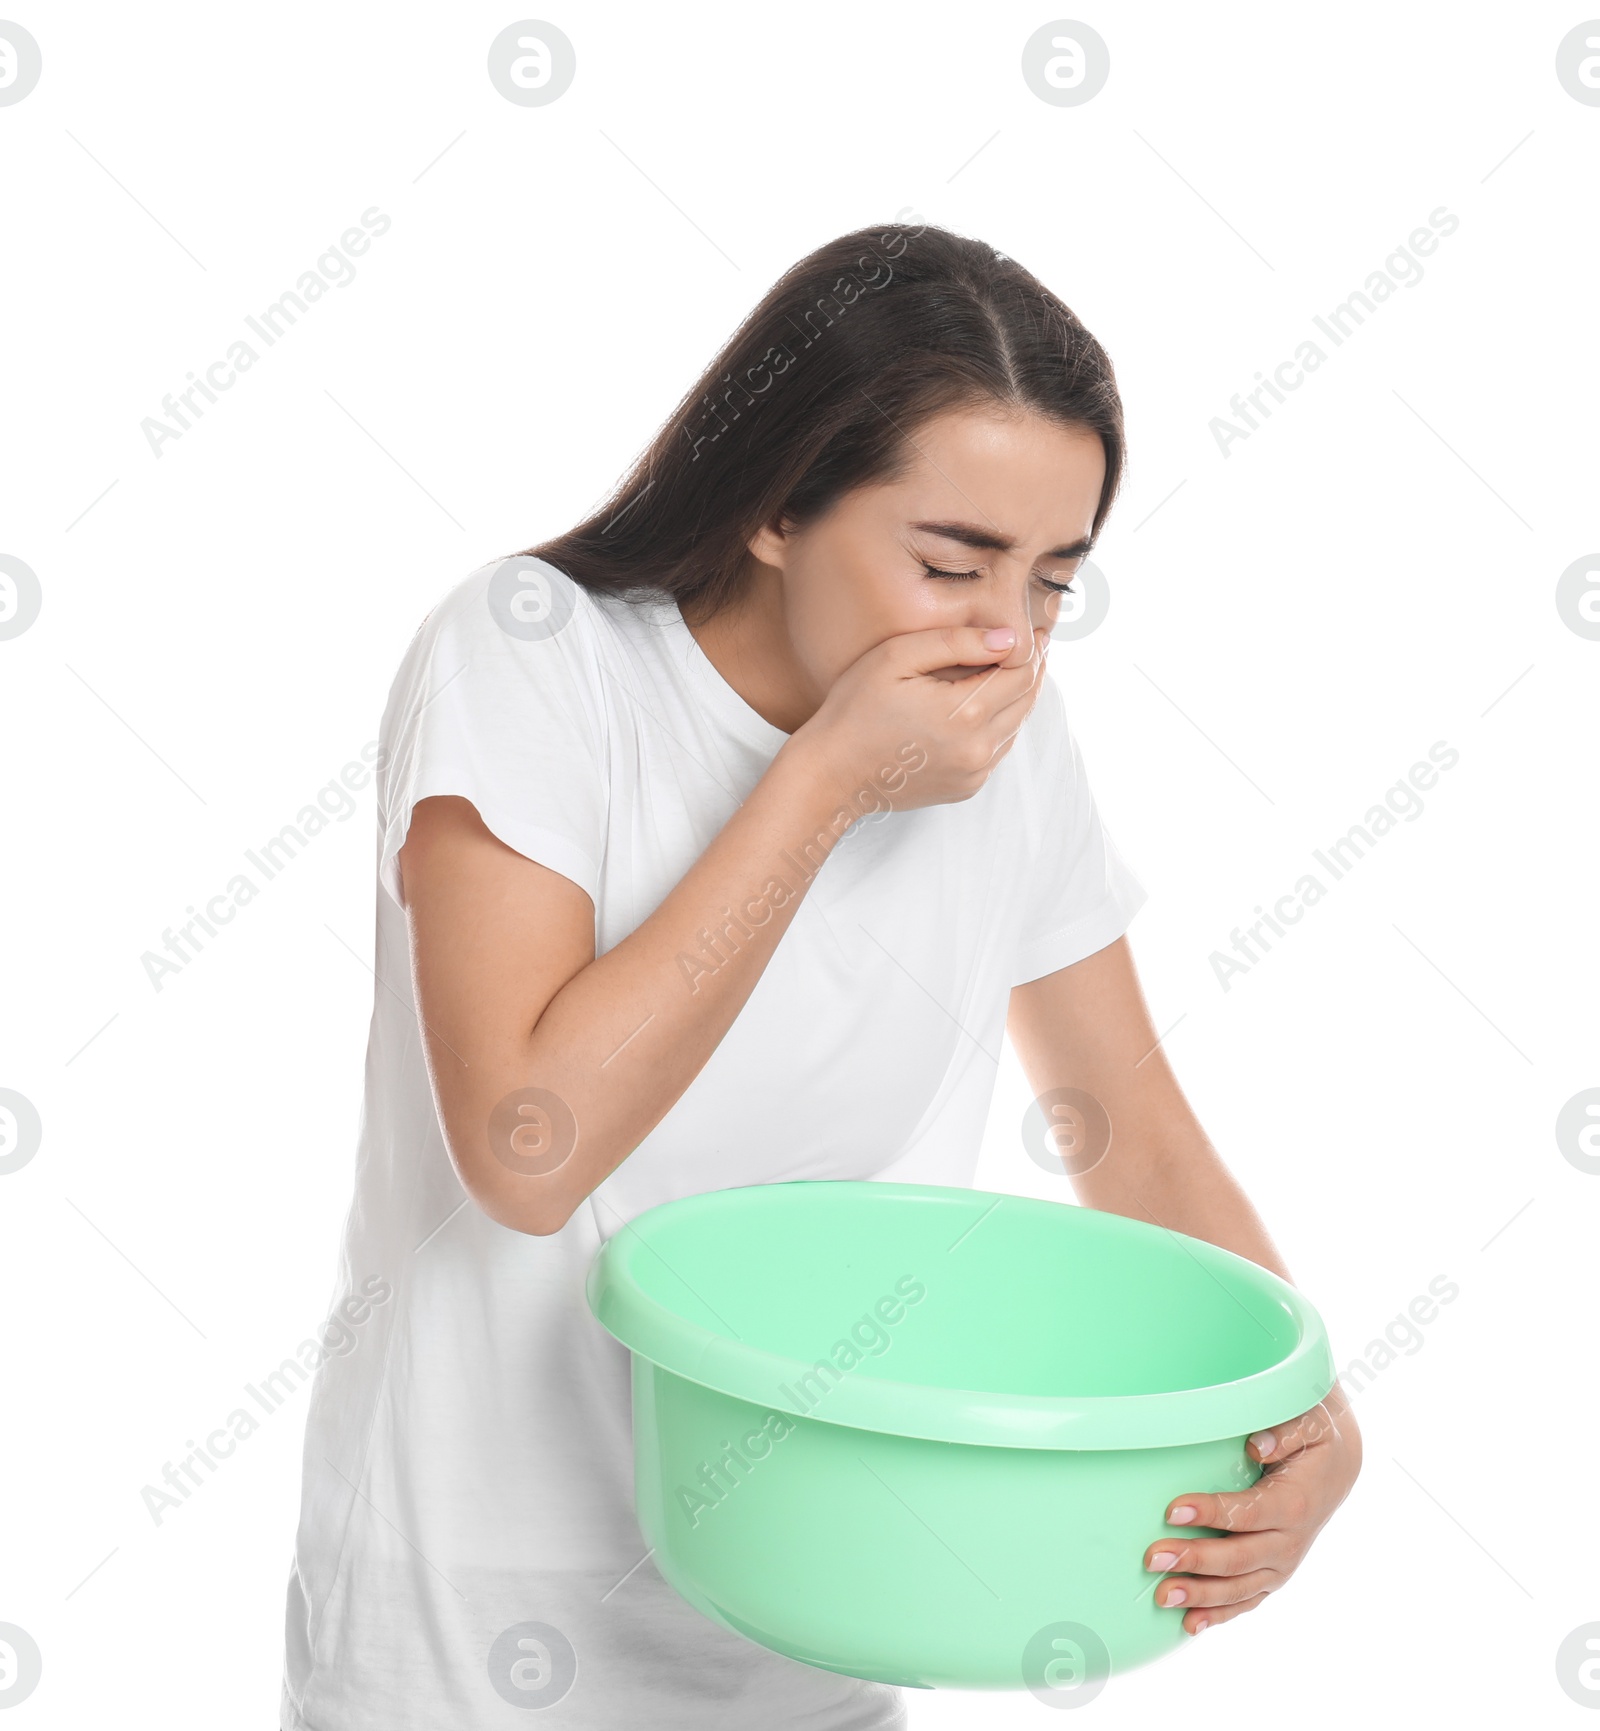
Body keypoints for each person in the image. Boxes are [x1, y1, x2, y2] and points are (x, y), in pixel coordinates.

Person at [278, 219, 1361, 1729]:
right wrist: (827, 784)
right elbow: (527, 1149)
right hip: (478, 1623)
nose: (1004, 634)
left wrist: (1301, 1413)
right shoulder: (534, 658)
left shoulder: (1015, 746)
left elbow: (1127, 1128)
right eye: (951, 562)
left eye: (1054, 580)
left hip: (825, 1601)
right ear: (777, 504)